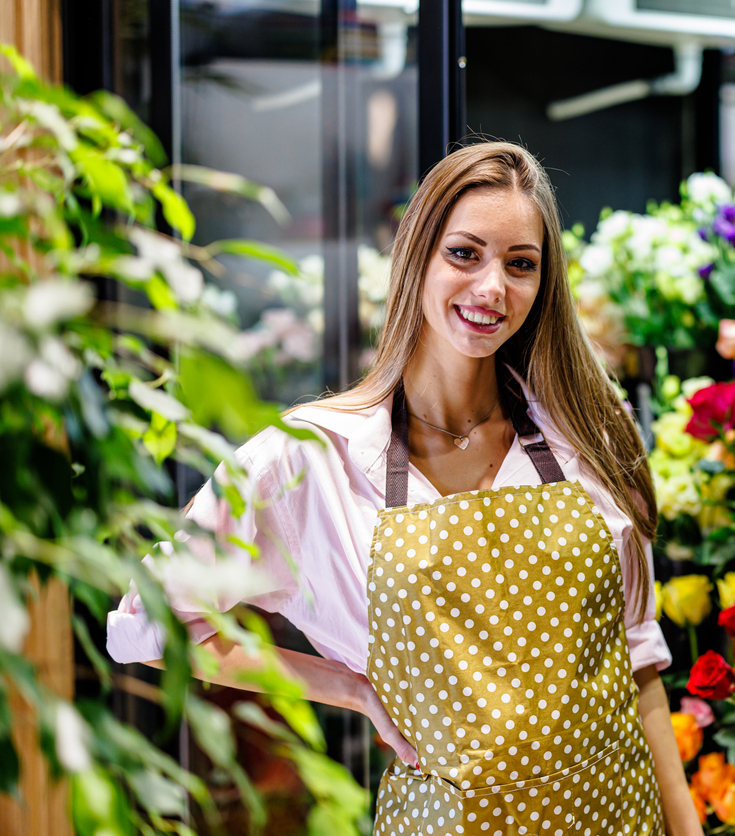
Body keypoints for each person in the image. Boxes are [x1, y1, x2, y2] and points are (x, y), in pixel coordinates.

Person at [106, 141, 701, 836]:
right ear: (416, 256)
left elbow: (638, 667)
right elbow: (148, 624)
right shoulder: (310, 457)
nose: (491, 289)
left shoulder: (584, 435)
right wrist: (349, 687)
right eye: (464, 254)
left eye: (520, 265)